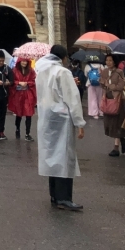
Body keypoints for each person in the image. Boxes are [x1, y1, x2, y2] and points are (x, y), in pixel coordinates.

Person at [36, 45, 85, 212]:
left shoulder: (42, 71)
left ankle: (55, 195)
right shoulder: (63, 72)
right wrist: (79, 122)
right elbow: (72, 98)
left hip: (47, 116)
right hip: (62, 118)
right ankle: (64, 197)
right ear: (64, 57)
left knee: (52, 156)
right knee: (64, 156)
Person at [100, 53, 125, 157]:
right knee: (110, 124)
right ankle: (122, 139)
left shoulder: (119, 72)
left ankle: (116, 148)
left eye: (110, 60)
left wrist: (110, 85)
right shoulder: (104, 71)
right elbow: (102, 85)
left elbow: (121, 86)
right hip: (108, 99)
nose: (108, 62)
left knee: (117, 123)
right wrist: (103, 81)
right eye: (107, 60)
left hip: (118, 100)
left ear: (115, 61)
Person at [8, 56, 37, 141]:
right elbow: (12, 81)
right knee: (19, 113)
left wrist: (27, 83)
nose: (24, 63)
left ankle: (27, 133)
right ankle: (17, 129)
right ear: (19, 62)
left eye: (26, 61)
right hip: (18, 94)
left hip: (28, 94)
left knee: (29, 113)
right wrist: (19, 82)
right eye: (23, 61)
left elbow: (33, 80)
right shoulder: (14, 70)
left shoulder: (31, 71)